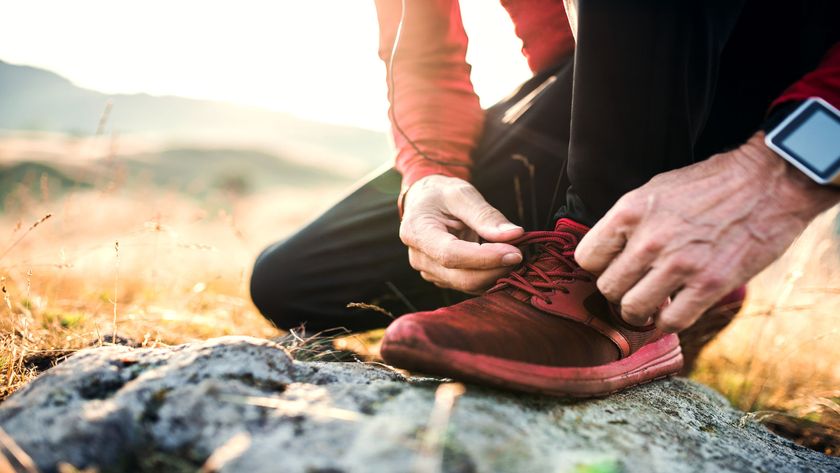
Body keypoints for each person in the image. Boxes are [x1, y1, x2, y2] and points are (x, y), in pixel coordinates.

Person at [251, 0, 840, 396]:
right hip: (606, 92)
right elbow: (421, 51)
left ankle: (604, 293)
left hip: (782, 64)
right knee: (294, 283)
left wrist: (785, 171)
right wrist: (429, 175)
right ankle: (656, 276)